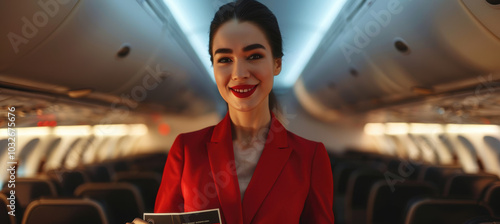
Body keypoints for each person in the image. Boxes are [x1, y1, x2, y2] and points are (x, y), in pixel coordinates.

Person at [130, 0, 334, 223]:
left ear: (277, 63)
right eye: (225, 59)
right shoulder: (185, 152)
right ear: (214, 68)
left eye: (254, 56)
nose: (239, 73)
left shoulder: (310, 157)